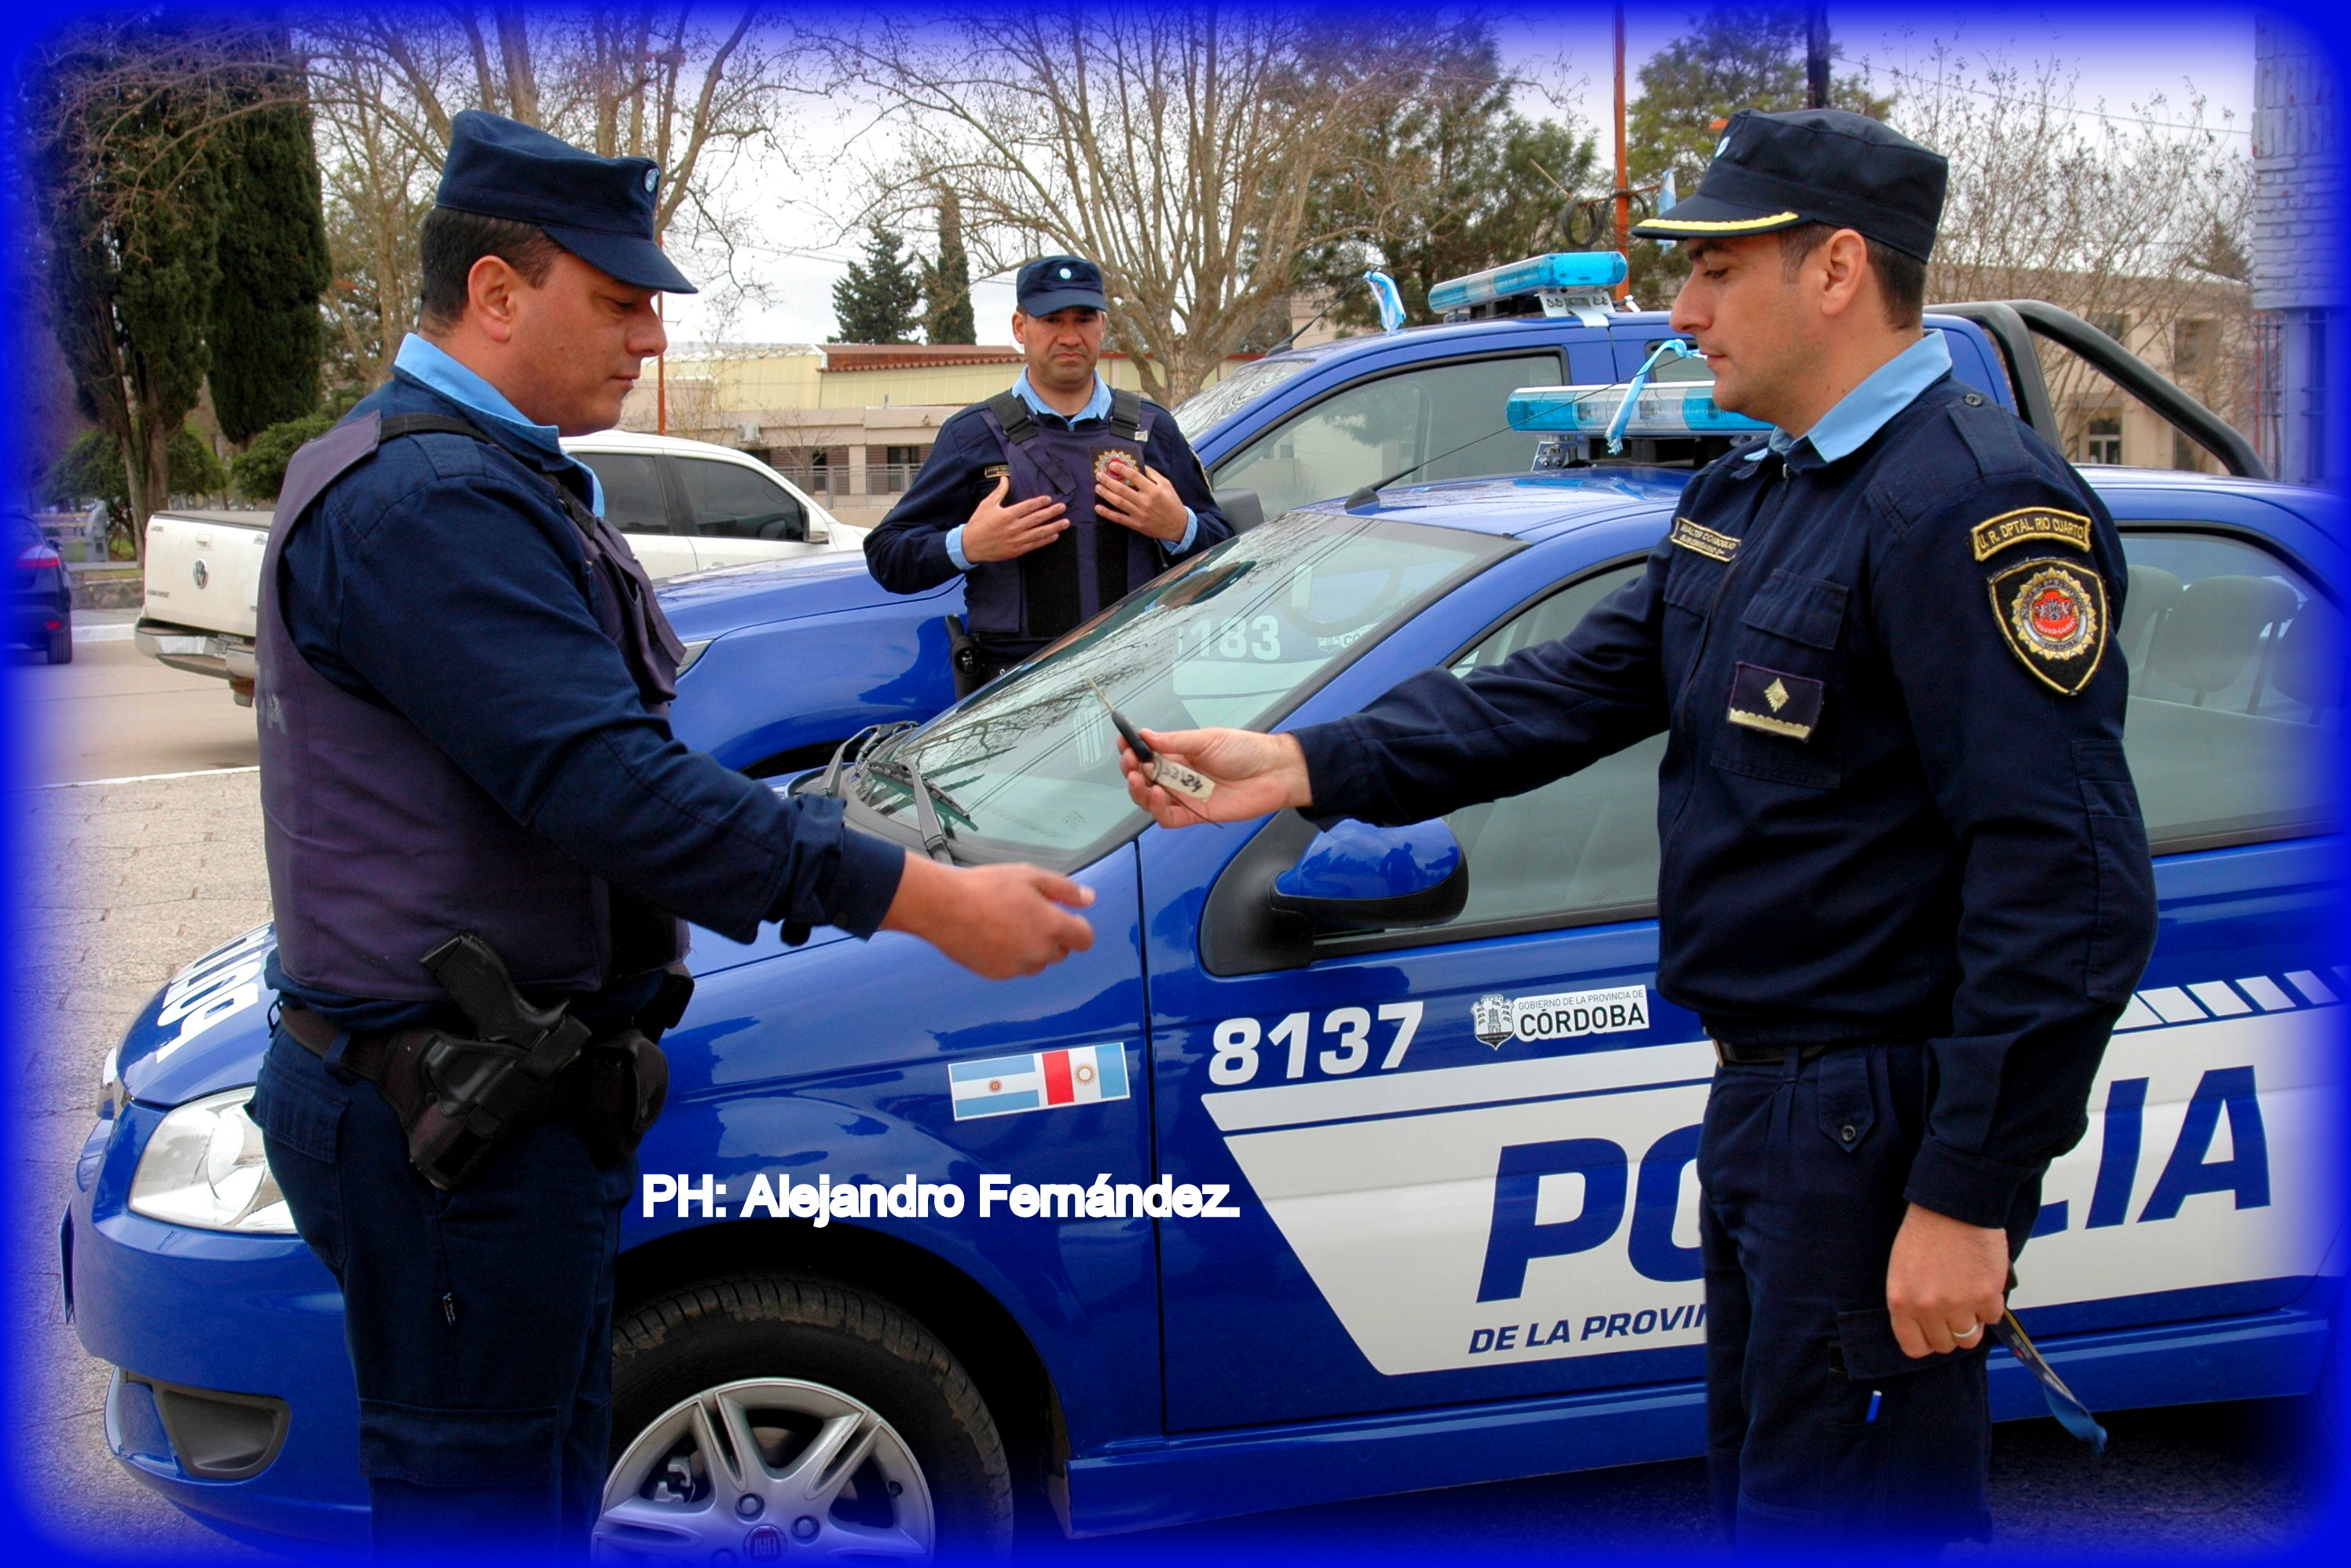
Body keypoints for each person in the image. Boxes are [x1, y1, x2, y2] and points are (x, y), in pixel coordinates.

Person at [1119, 108, 2158, 1551]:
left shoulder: (1970, 506)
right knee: (1763, 1499)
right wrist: (1298, 761)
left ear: (1838, 268)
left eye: (1718, 270)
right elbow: (1561, 694)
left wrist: (1968, 1198)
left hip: (1874, 1129)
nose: (1681, 310)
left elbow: (2072, 888)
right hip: (1768, 1111)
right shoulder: (1756, 489)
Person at [247, 110, 1095, 1558]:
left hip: (499, 1106)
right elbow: (611, 790)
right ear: (498, 292)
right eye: (618, 298)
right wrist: (922, 898)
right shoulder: (435, 500)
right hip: (452, 1126)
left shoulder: (478, 473)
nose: (646, 336)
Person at [863, 255, 1231, 692]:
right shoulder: (972, 436)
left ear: (1103, 326)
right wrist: (969, 544)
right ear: (1021, 327)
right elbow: (887, 557)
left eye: (1083, 319)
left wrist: (1179, 528)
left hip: (1138, 683)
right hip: (1016, 696)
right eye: (1052, 320)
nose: (1069, 336)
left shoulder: (1153, 429)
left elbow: (1228, 551)